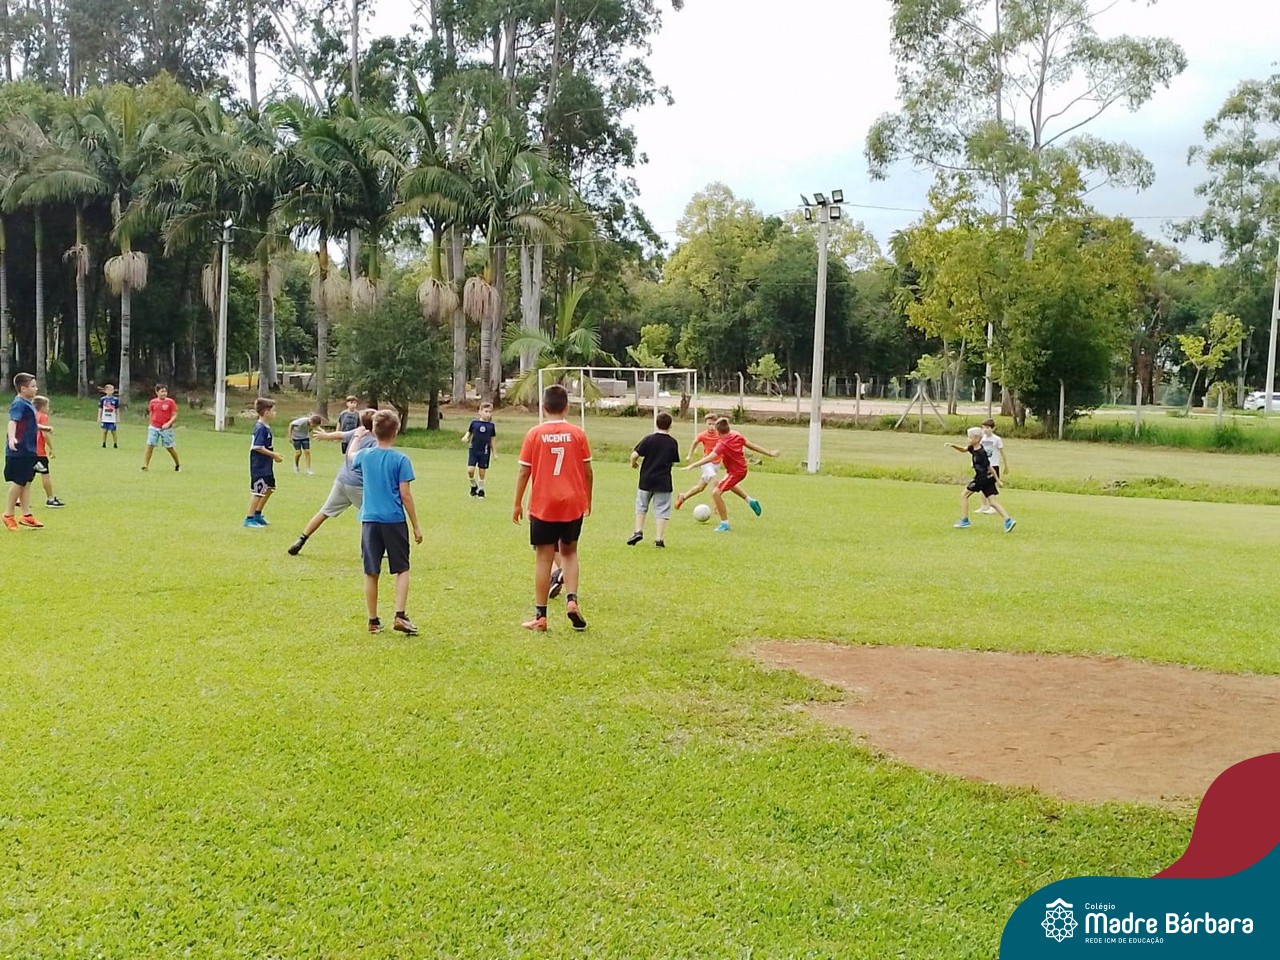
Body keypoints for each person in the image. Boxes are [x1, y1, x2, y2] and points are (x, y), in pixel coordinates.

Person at [513, 384, 592, 632]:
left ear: (543, 407)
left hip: (543, 504)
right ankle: (572, 600)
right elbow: (588, 471)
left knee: (543, 557)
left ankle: (541, 616)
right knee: (569, 552)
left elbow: (524, 471)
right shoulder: (578, 434)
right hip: (572, 502)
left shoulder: (534, 434)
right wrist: (587, 499)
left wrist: (517, 503)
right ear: (567, 407)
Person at [353, 410, 423, 636]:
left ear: (373, 431)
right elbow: (405, 495)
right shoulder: (401, 460)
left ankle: (373, 620)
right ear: (396, 431)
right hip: (394, 520)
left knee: (371, 571)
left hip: (370, 520)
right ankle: (400, 615)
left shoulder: (365, 456)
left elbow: (351, 456)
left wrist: (357, 436)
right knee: (402, 568)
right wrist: (416, 525)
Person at [287, 408, 378, 555]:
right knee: (372, 515)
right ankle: (369, 550)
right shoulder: (375, 441)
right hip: (357, 485)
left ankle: (301, 539)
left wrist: (326, 436)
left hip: (342, 480)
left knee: (324, 512)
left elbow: (341, 435)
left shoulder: (359, 432)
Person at [683, 417, 779, 533]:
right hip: (740, 469)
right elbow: (751, 445)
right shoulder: (736, 434)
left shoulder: (722, 444)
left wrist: (693, 465)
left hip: (736, 472)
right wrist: (769, 453)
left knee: (716, 493)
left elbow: (710, 457)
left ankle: (724, 524)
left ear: (718, 432)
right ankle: (750, 501)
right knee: (728, 484)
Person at [947, 426, 1016, 532]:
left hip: (981, 478)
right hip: (987, 479)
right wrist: (953, 445)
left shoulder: (981, 453)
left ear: (976, 439)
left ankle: (965, 521)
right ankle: (1008, 520)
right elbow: (963, 449)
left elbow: (989, 467)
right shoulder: (972, 447)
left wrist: (998, 480)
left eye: (970, 437)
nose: (968, 439)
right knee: (992, 502)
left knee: (964, 495)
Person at [628, 412, 680, 548]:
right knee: (662, 509)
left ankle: (638, 531)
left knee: (641, 505)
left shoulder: (649, 439)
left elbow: (634, 455)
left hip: (646, 479)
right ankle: (659, 538)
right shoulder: (673, 442)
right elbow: (673, 461)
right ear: (670, 426)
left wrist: (633, 463)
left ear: (656, 424)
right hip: (663, 481)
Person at [4, 373, 43, 530]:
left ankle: (26, 515)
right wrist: (12, 438)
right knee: (19, 482)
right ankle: (8, 515)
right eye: (33, 386)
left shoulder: (28, 403)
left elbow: (28, 424)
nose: (36, 388)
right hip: (19, 451)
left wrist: (43, 428)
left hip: (28, 450)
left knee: (26, 481)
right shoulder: (19, 404)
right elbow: (13, 422)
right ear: (23, 388)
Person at [245, 398, 284, 528]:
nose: (275, 413)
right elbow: (257, 447)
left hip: (266, 466)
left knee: (269, 488)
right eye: (273, 411)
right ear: (266, 412)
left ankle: (258, 514)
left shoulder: (266, 427)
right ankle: (249, 519)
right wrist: (274, 455)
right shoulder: (260, 428)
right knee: (259, 492)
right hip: (259, 466)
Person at [675, 413, 722, 510]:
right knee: (714, 481)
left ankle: (683, 497)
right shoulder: (702, 435)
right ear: (706, 424)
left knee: (700, 487)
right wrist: (689, 455)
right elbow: (695, 443)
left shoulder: (720, 435)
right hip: (706, 463)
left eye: (713, 424)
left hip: (716, 464)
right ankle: (717, 506)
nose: (711, 426)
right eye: (709, 424)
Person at [32, 396, 63, 508]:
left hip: (29, 450)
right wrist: (51, 448)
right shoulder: (43, 416)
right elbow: (44, 434)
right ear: (42, 407)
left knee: (28, 476)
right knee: (45, 474)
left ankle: (19, 499)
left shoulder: (32, 415)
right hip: (39, 452)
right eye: (47, 406)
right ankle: (50, 499)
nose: (48, 408)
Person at [141, 383, 181, 472]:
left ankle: (177, 464)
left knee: (169, 447)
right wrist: (150, 423)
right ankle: (145, 466)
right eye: (162, 391)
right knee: (150, 445)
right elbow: (151, 413)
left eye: (165, 391)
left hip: (166, 428)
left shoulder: (170, 402)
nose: (164, 393)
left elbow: (174, 415)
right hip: (154, 427)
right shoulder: (153, 402)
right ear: (157, 392)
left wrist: (168, 423)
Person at [463, 401, 497, 498]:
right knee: (470, 470)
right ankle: (473, 485)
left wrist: (494, 453)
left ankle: (481, 489)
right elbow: (469, 433)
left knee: (482, 471)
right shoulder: (474, 423)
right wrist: (466, 437)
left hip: (484, 451)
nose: (488, 414)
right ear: (480, 411)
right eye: (486, 411)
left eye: (490, 412)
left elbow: (492, 440)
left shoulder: (491, 426)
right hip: (474, 450)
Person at [977, 418, 1010, 514]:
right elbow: (978, 451)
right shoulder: (981, 439)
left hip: (993, 465)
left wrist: (1006, 466)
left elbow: (1002, 453)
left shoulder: (997, 439)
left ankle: (993, 507)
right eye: (983, 427)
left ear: (992, 428)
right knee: (982, 485)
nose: (985, 430)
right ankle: (983, 506)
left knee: (992, 486)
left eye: (987, 428)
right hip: (983, 465)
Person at [98, 383, 120, 448]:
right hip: (105, 418)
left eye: (111, 390)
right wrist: (99, 417)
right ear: (105, 391)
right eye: (109, 390)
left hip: (112, 418)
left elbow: (117, 409)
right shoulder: (103, 399)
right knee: (104, 431)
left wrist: (117, 417)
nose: (110, 391)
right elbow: (100, 408)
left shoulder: (115, 399)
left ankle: (115, 443)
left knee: (113, 431)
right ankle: (104, 443)